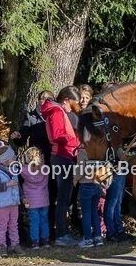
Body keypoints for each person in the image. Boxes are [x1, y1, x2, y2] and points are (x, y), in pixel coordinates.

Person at [42, 86, 82, 245]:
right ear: (66, 99)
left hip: (63, 156)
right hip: (62, 157)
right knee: (63, 198)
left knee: (65, 197)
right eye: (73, 103)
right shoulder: (57, 111)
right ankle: (61, 235)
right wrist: (78, 141)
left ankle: (62, 233)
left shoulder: (57, 111)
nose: (73, 107)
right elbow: (58, 135)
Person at [74, 144, 109, 247]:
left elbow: (81, 169)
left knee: (86, 213)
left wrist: (75, 179)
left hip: (86, 185)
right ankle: (98, 237)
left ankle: (87, 239)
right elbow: (104, 167)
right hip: (97, 184)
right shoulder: (99, 151)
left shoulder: (83, 152)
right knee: (94, 212)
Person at [19, 146, 50, 248]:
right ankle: (45, 241)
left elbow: (18, 171)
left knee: (34, 221)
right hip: (44, 199)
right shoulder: (45, 169)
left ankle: (35, 242)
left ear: (27, 158)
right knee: (44, 220)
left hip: (31, 200)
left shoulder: (24, 170)